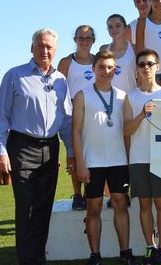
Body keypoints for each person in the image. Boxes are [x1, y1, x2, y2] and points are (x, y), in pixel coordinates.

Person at [0, 29, 74, 264]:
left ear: (55, 51)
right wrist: (0, 151)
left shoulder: (61, 80)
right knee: (26, 206)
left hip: (50, 148)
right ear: (31, 48)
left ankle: (38, 257)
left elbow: (66, 120)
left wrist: (72, 152)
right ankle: (27, 258)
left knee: (43, 207)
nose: (44, 50)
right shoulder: (14, 76)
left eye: (49, 47)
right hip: (22, 147)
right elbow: (1, 117)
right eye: (40, 45)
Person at [73, 51, 138, 265]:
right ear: (93, 68)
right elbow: (76, 131)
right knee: (94, 207)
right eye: (102, 67)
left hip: (118, 160)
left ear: (115, 69)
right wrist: (80, 164)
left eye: (111, 67)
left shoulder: (122, 96)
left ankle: (125, 252)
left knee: (121, 204)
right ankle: (95, 255)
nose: (106, 71)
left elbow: (127, 132)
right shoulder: (82, 95)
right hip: (92, 161)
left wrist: (129, 161)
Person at [123, 49, 161, 265]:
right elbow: (127, 130)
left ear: (158, 66)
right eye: (142, 64)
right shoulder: (130, 97)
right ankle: (150, 247)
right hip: (138, 158)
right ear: (137, 68)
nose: (146, 68)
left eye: (150, 64)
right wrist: (143, 113)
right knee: (144, 204)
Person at [58, 24, 96, 210]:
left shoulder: (98, 60)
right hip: (73, 113)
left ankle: (90, 192)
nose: (84, 41)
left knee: (90, 154)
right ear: (75, 40)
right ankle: (77, 195)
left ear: (93, 41)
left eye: (88, 38)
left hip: (94, 112)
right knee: (74, 154)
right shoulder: (66, 62)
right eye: (81, 37)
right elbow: (59, 92)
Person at [100, 14, 137, 93]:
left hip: (130, 99)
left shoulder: (134, 49)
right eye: (110, 27)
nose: (114, 29)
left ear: (125, 28)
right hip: (109, 100)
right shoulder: (104, 50)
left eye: (118, 26)